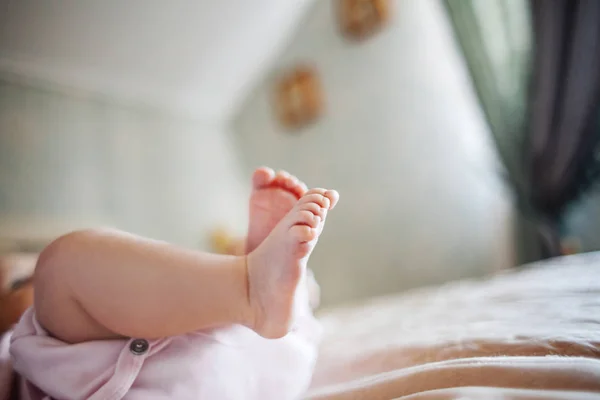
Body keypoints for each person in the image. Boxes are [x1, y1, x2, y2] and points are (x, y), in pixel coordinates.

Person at [9, 167, 339, 399]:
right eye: (17, 281)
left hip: (260, 363)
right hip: (237, 373)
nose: (29, 277)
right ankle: (248, 284)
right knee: (60, 265)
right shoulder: (19, 353)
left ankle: (258, 280)